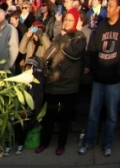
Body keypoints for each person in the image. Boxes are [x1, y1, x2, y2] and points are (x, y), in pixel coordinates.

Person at [81, 0, 120, 157]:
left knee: (112, 115)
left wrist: (119, 71)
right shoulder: (102, 26)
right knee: (93, 114)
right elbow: (94, 48)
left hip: (115, 80)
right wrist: (93, 67)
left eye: (110, 5)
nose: (107, 8)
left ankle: (107, 144)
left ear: (118, 8)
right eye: (107, 5)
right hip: (99, 79)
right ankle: (88, 142)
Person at [37, 10, 86, 155]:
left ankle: (61, 145)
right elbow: (49, 53)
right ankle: (44, 142)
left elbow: (75, 52)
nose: (67, 22)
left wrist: (63, 42)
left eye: (70, 20)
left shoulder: (79, 36)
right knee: (49, 116)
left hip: (69, 84)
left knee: (65, 117)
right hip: (54, 82)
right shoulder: (59, 36)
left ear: (76, 22)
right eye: (65, 20)